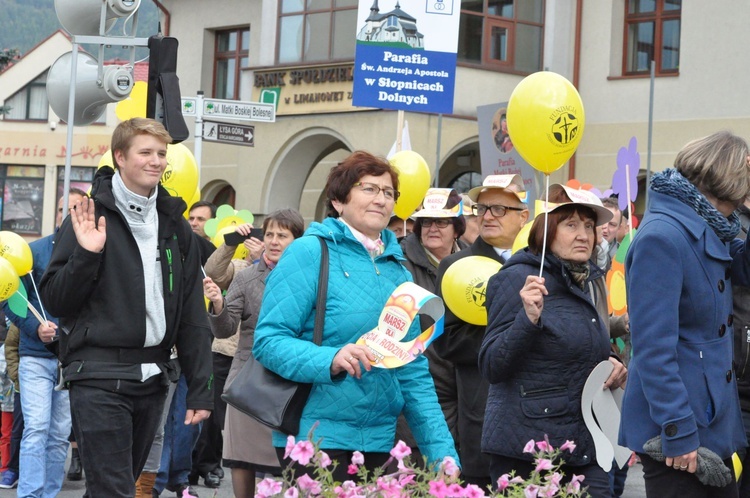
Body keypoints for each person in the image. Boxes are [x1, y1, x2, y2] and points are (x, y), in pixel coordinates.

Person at [253, 150, 459, 481]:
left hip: (378, 440)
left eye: (389, 192)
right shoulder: (309, 252)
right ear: (338, 201)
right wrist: (331, 359)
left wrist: (443, 454)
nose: (381, 199)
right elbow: (268, 342)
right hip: (315, 435)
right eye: (369, 188)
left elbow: (413, 372)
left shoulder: (398, 273)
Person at [39, 117, 213, 498]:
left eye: (162, 154)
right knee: (115, 491)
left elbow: (191, 314)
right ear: (120, 157)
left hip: (152, 377)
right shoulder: (89, 215)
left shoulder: (175, 226)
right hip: (98, 374)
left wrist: (201, 388)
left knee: (110, 489)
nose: (157, 161)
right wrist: (86, 255)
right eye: (146, 152)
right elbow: (55, 299)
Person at [620, 131, 750, 497]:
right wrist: (677, 432)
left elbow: (745, 270)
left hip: (711, 418)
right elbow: (653, 350)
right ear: (728, 182)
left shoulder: (707, 223)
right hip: (681, 429)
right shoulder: (664, 236)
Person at [479, 184, 627, 497]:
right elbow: (492, 365)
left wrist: (613, 365)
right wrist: (527, 320)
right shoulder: (516, 279)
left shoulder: (585, 279)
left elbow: (578, 350)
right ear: (546, 230)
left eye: (588, 226)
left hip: (584, 445)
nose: (584, 235)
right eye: (571, 224)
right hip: (528, 453)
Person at [434, 174, 529, 488]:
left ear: (523, 217)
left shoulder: (539, 266)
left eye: (500, 209)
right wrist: (515, 333)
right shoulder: (456, 267)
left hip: (537, 420)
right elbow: (447, 341)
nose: (488, 216)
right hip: (484, 415)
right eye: (482, 208)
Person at [205, 209, 304, 498]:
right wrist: (218, 305)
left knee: (283, 469)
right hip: (247, 383)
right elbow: (224, 330)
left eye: (282, 235)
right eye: (270, 234)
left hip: (291, 383)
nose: (274, 241)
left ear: (297, 240)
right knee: (242, 462)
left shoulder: (309, 278)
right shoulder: (246, 277)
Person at [1, 188, 86, 498]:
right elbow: (10, 300)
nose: (68, 214)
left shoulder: (94, 254)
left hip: (71, 358)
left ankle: (48, 493)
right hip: (35, 356)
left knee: (60, 434)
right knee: (36, 428)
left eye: (77, 208)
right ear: (56, 213)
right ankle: (30, 494)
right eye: (64, 208)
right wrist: (35, 329)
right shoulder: (33, 252)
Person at [396, 188, 467, 460]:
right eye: (426, 221)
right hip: (421, 390)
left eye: (441, 221)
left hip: (461, 391)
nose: (432, 228)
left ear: (457, 227)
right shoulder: (401, 263)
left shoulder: (472, 262)